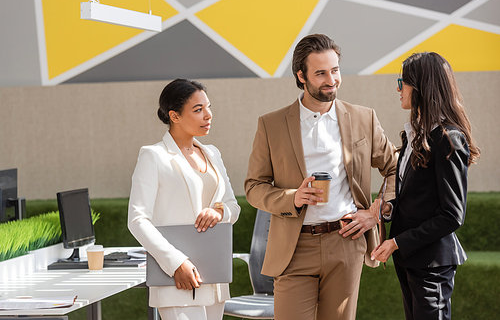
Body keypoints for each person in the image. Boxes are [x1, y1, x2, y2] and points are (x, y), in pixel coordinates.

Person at [245, 34, 398, 320]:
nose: (332, 80)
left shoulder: (364, 118)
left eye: (335, 70)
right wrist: (293, 197)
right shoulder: (271, 124)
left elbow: (394, 169)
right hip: (294, 248)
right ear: (301, 76)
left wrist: (375, 212)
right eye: (321, 73)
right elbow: (254, 187)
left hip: (345, 242)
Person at [370, 52, 480, 320]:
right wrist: (388, 209)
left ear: (420, 87)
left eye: (402, 82)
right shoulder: (415, 136)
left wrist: (396, 242)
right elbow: (418, 199)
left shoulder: (448, 138)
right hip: (409, 261)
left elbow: (452, 215)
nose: (398, 89)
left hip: (432, 264)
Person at [127, 78, 240, 320]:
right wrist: (176, 263)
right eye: (198, 110)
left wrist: (219, 212)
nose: (208, 115)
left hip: (214, 277)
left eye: (208, 107)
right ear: (174, 116)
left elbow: (233, 206)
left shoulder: (213, 153)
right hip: (177, 279)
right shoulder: (153, 156)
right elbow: (137, 219)